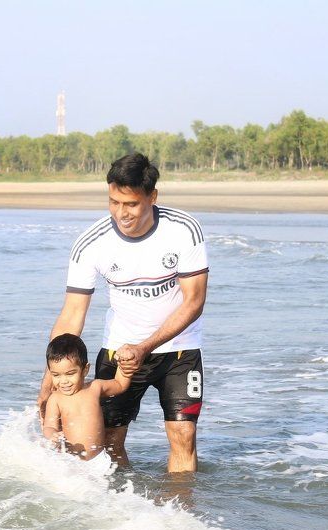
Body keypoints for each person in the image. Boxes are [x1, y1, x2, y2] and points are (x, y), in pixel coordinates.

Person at [38, 153, 209, 473]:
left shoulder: (184, 230)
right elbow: (72, 315)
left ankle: (182, 519)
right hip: (119, 352)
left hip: (179, 350)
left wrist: (145, 346)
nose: (121, 213)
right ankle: (125, 513)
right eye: (113, 202)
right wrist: (48, 377)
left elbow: (194, 302)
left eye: (130, 204)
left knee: (183, 435)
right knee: (110, 442)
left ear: (152, 196)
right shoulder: (91, 243)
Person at [41, 333, 132, 461]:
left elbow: (120, 385)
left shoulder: (95, 387)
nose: (63, 381)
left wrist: (125, 366)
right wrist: (53, 436)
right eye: (56, 375)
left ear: (85, 370)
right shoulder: (56, 399)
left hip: (99, 462)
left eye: (70, 373)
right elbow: (49, 426)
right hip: (71, 462)